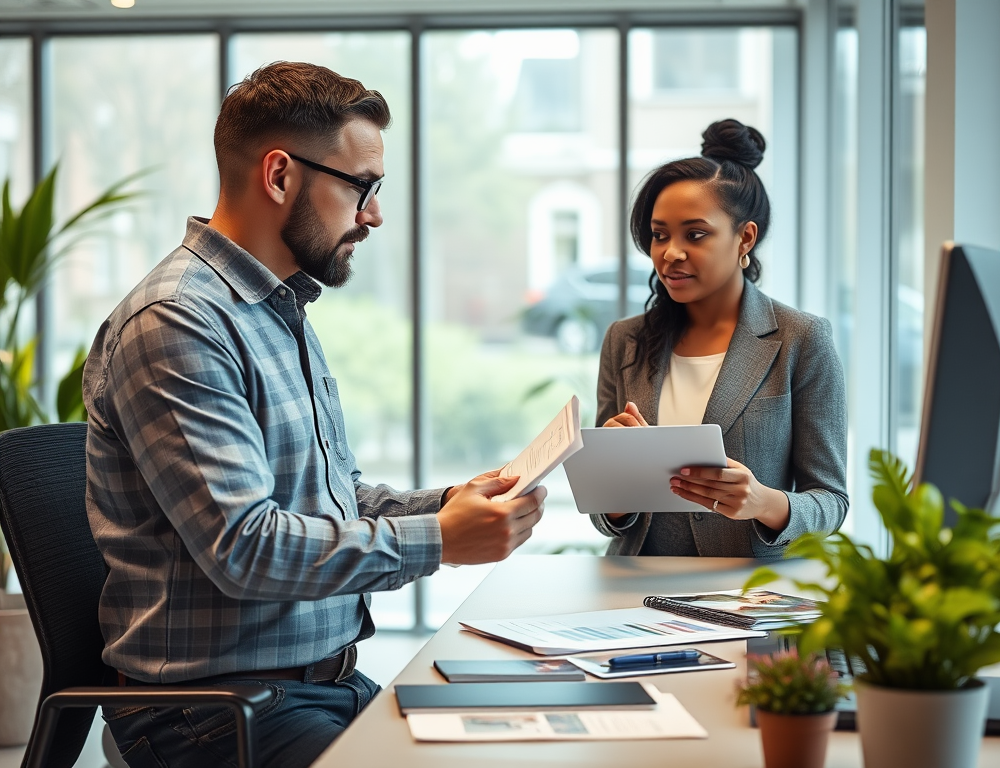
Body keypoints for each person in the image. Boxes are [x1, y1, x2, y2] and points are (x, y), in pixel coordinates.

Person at [83, 61, 546, 768]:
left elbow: (333, 498)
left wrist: (447, 505)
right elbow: (245, 546)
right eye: (362, 186)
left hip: (316, 688)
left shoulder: (279, 310)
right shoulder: (177, 321)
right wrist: (438, 541)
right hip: (208, 714)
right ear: (279, 176)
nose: (375, 214)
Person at [590, 119, 847, 558]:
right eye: (658, 235)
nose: (670, 253)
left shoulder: (801, 339)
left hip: (748, 592)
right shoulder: (625, 340)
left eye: (695, 234)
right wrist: (615, 485)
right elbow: (603, 511)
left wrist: (765, 503)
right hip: (637, 597)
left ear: (745, 237)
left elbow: (831, 501)